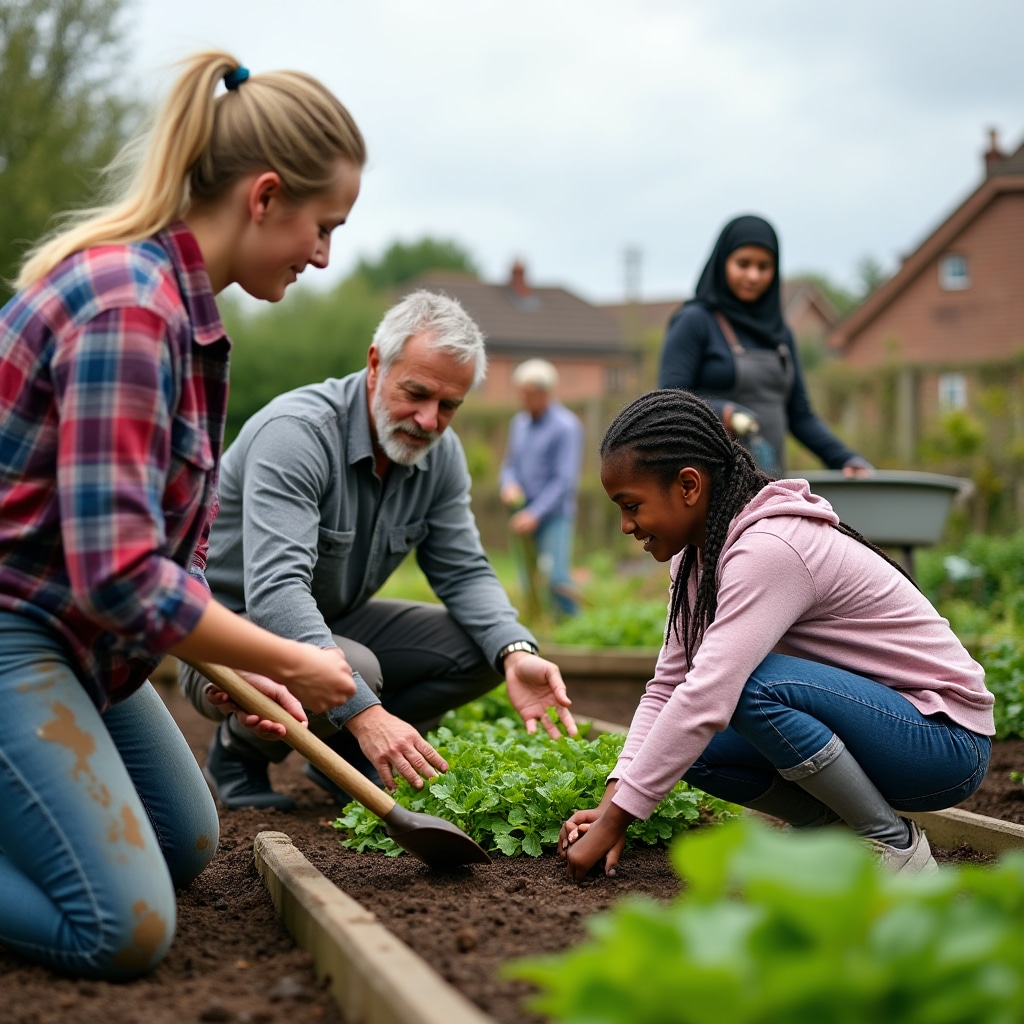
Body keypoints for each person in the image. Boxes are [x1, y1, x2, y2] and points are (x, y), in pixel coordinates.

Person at [0, 51, 366, 979]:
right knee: (120, 927)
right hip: (18, 629)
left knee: (184, 840)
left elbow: (168, 566)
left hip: (72, 635)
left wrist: (245, 672)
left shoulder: (187, 319)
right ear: (266, 195)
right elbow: (119, 574)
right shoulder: (130, 307)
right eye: (323, 227)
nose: (323, 255)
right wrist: (288, 654)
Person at [559, 389, 993, 881]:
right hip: (882, 729)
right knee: (688, 744)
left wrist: (617, 823)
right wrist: (612, 803)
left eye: (631, 504)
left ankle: (893, 847)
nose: (625, 525)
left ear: (688, 485)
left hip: (943, 741)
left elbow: (706, 693)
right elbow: (667, 687)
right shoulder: (696, 557)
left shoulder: (771, 548)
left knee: (743, 688)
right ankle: (833, 833)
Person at [180, 290, 577, 811]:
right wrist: (366, 711)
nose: (430, 420)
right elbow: (276, 591)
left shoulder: (440, 456)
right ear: (375, 364)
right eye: (416, 393)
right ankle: (239, 751)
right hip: (229, 640)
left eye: (449, 405)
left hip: (334, 622)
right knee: (355, 673)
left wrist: (515, 650)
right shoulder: (296, 435)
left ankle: (340, 755)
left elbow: (464, 571)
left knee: (487, 647)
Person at [658, 214, 872, 477]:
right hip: (708, 484)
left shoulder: (780, 334)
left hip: (768, 483)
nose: (753, 275)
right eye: (743, 263)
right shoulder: (695, 321)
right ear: (722, 262)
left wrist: (846, 459)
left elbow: (800, 416)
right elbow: (669, 403)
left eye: (764, 266)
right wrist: (721, 412)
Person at [499, 359, 584, 618]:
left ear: (546, 393)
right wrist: (508, 484)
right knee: (528, 581)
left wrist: (534, 514)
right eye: (521, 393)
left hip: (553, 515)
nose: (523, 400)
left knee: (556, 578)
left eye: (529, 394)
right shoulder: (519, 423)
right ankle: (539, 628)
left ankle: (573, 627)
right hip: (522, 511)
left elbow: (564, 480)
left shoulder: (567, 427)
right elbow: (509, 465)